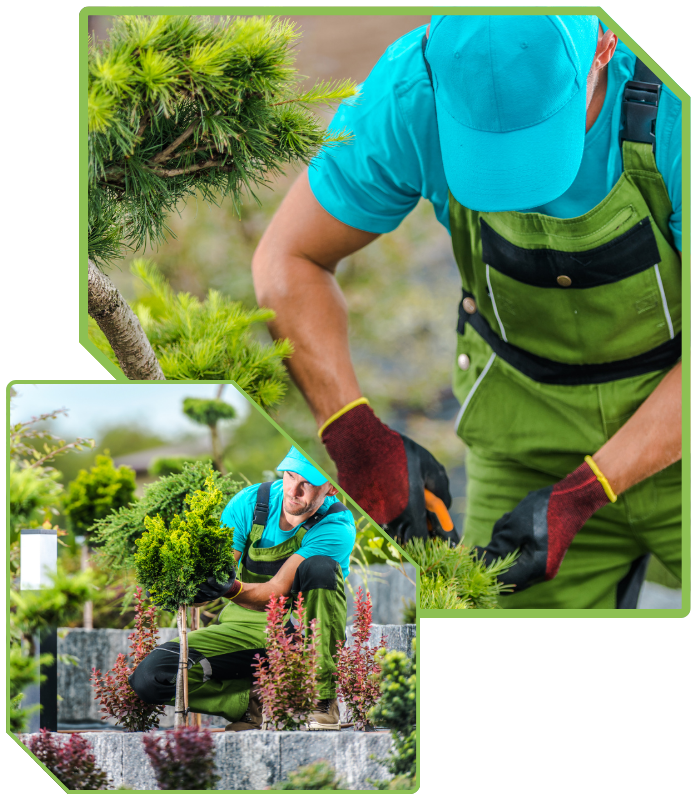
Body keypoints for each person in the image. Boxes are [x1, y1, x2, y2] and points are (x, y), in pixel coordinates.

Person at [251, 15, 682, 609]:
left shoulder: (673, 111)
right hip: (525, 430)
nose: (516, 182)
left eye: (537, 135)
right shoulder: (410, 93)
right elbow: (287, 260)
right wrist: (356, 437)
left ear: (605, 46)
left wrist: (586, 492)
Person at [130, 446, 356, 729]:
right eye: (289, 476)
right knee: (151, 678)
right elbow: (221, 567)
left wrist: (230, 588)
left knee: (321, 567)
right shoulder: (251, 503)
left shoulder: (335, 525)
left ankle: (321, 699)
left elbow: (275, 591)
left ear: (331, 488)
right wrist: (192, 586)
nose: (293, 491)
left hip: (298, 639)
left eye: (307, 483)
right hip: (242, 632)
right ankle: (246, 701)